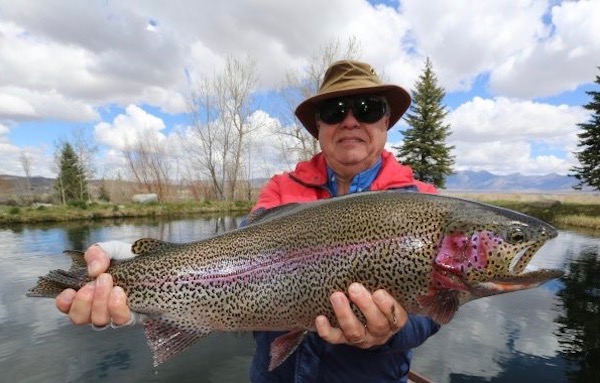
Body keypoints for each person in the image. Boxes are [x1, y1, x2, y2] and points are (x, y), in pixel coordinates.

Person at [55, 60, 440, 383]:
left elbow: (439, 309)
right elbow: (235, 267)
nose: (351, 121)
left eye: (368, 109)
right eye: (335, 112)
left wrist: (391, 332)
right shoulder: (280, 190)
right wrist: (138, 276)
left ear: (386, 122)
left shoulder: (424, 204)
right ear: (318, 128)